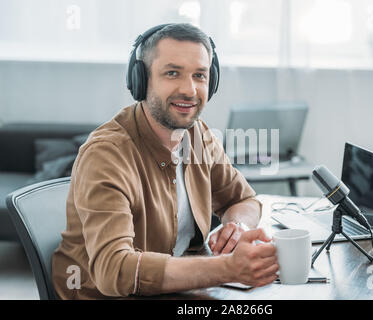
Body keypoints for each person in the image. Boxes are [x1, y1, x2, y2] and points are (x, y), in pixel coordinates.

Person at [52, 23, 279, 299]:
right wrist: (225, 268)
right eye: (172, 73)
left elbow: (243, 200)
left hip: (176, 291)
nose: (190, 90)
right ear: (141, 80)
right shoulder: (107, 155)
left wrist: (237, 228)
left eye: (200, 75)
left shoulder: (197, 135)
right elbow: (114, 270)